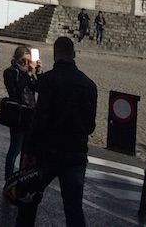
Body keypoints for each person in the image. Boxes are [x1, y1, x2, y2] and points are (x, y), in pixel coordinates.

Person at [16, 36, 98, 227]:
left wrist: (29, 151)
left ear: (55, 55)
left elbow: (40, 119)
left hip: (49, 152)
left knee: (30, 200)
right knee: (74, 208)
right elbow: (91, 126)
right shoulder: (89, 84)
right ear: (74, 54)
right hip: (76, 153)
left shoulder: (50, 80)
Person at [3, 45, 40, 180]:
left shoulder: (28, 73)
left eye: (28, 61)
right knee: (15, 149)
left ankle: (21, 180)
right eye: (23, 61)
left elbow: (39, 88)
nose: (25, 64)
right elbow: (15, 91)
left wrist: (38, 72)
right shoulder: (10, 72)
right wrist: (28, 74)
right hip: (18, 116)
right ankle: (8, 178)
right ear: (16, 59)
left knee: (26, 152)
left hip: (30, 115)